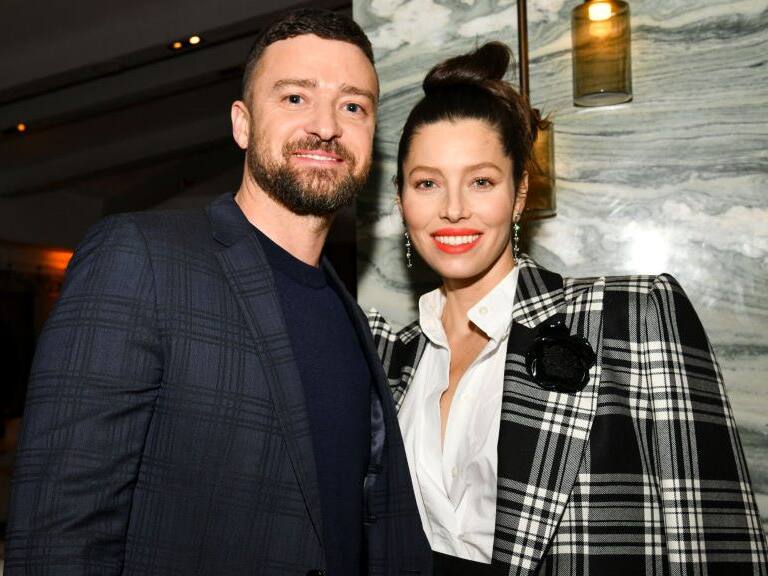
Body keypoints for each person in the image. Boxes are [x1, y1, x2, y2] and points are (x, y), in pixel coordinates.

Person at [5, 9, 431, 576]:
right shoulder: (141, 257)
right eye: (295, 98)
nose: (327, 126)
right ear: (242, 124)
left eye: (353, 105)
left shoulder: (350, 314)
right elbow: (58, 534)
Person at [368, 41, 768, 575]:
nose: (454, 208)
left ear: (519, 193)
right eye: (427, 183)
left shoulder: (631, 317)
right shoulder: (390, 359)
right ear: (401, 201)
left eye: (481, 181)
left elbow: (715, 541)